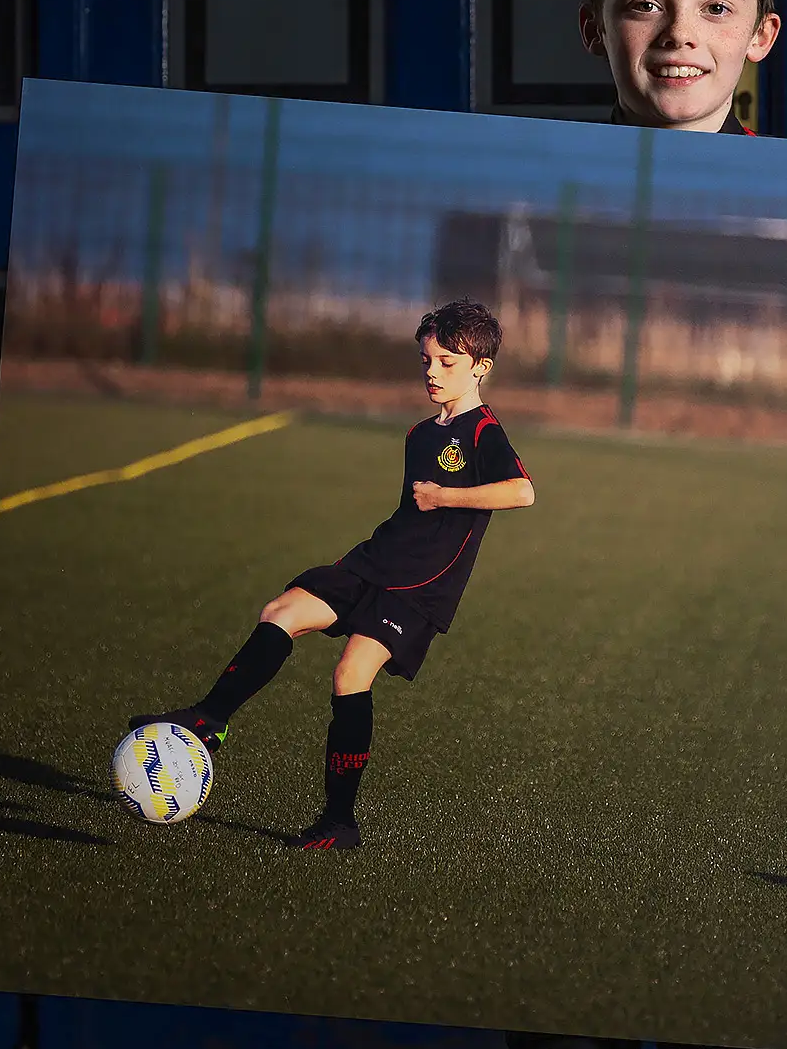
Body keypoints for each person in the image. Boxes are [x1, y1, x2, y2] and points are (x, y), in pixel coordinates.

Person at [494, 0, 786, 1049]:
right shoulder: (533, 225)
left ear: (762, 39)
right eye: (647, 5)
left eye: (714, 8)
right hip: (585, 688)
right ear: (599, 31)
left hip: (744, 691)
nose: (680, 36)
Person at [128, 298, 533, 851]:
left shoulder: (484, 431)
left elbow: (521, 491)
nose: (431, 372)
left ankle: (339, 822)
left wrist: (445, 495)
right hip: (374, 560)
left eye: (446, 362)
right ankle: (210, 719)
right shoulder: (420, 434)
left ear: (480, 367)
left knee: (350, 676)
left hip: (420, 587)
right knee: (281, 613)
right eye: (426, 360)